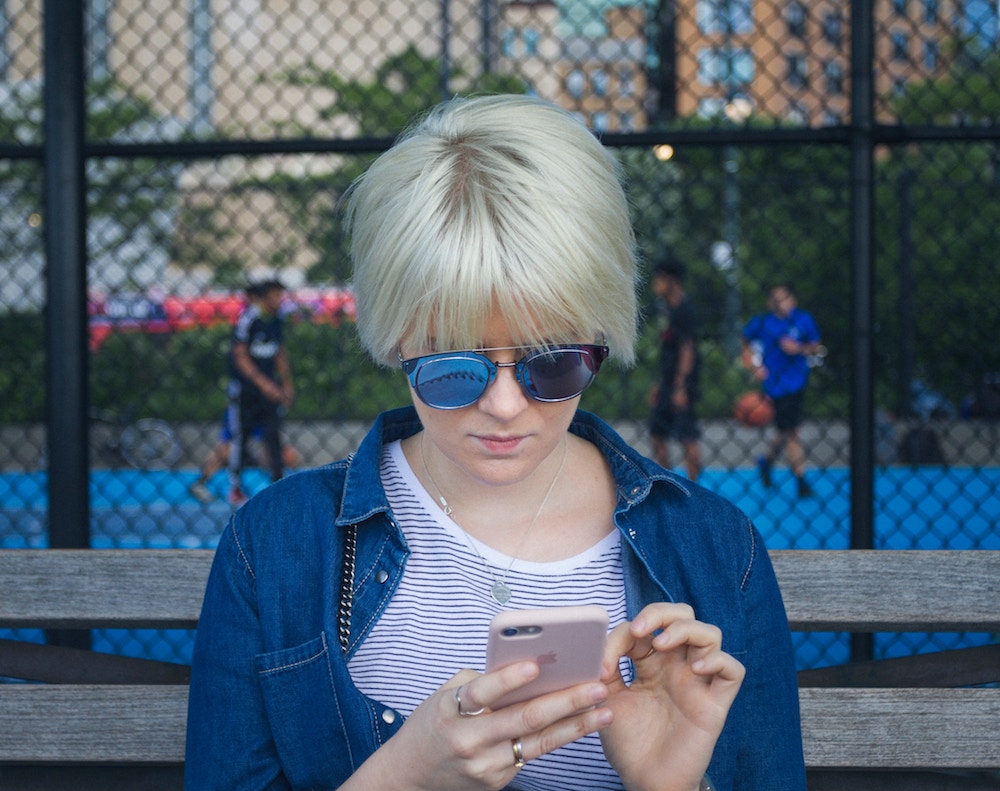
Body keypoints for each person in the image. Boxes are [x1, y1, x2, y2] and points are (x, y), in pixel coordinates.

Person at [186, 95, 805, 790]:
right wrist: (406, 772)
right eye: (455, 369)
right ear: (396, 338)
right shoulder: (273, 544)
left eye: (553, 362)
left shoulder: (720, 550)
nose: (505, 406)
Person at [741, 285, 822, 498]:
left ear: (792, 300)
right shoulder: (762, 322)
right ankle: (801, 480)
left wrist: (799, 349)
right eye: (775, 300)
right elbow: (745, 341)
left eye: (784, 299)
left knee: (785, 429)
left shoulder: (803, 320)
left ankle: (766, 462)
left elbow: (816, 345)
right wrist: (754, 366)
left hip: (797, 381)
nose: (780, 303)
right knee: (792, 430)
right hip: (774, 384)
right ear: (770, 303)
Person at [226, 279, 295, 507]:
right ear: (264, 297)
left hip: (269, 393)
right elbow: (240, 356)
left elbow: (280, 353)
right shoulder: (248, 318)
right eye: (275, 295)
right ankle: (235, 487)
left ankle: (278, 484)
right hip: (246, 391)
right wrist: (264, 384)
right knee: (241, 437)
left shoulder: (276, 320)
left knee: (273, 437)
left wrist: (285, 384)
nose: (279, 300)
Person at [647, 257, 702, 481]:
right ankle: (670, 480)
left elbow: (687, 350)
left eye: (659, 279)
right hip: (670, 383)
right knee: (657, 432)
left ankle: (694, 487)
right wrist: (662, 384)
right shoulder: (671, 310)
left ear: (671, 280)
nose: (655, 284)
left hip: (682, 385)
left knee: (687, 436)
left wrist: (680, 387)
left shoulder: (684, 311)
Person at [189, 408, 299, 503]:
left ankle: (281, 485)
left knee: (286, 455)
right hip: (245, 403)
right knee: (228, 446)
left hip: (264, 407)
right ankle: (202, 483)